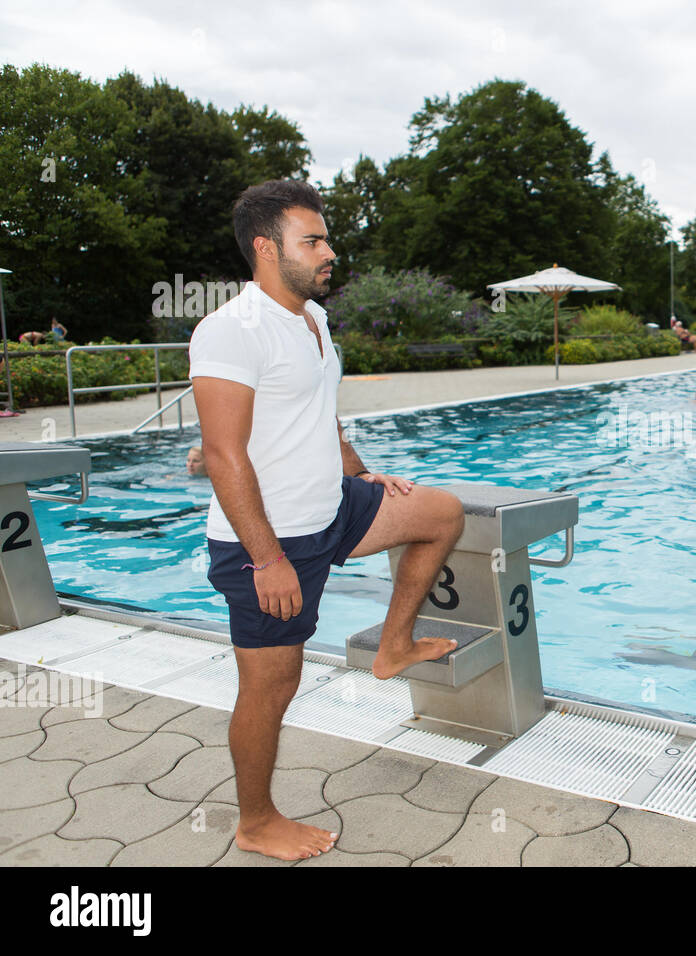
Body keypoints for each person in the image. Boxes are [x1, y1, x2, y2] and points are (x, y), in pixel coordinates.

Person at [188, 180, 465, 861]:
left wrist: (362, 473)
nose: (327, 252)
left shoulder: (314, 319)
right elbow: (223, 456)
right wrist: (266, 558)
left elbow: (323, 415)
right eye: (311, 241)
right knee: (271, 687)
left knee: (441, 514)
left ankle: (393, 646)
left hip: (335, 509)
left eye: (325, 238)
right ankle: (255, 822)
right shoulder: (231, 330)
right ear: (264, 248)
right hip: (271, 541)